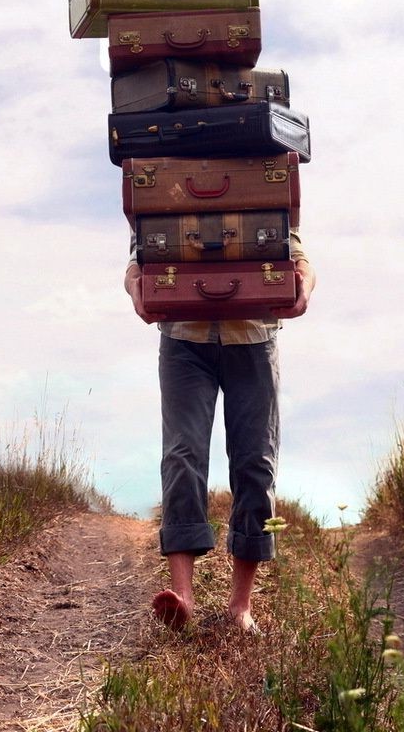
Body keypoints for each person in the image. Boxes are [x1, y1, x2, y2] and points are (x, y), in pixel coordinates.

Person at [124, 230, 314, 633]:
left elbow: (296, 250)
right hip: (184, 339)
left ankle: (240, 606)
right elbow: (138, 256)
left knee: (256, 462)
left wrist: (304, 283)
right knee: (182, 454)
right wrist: (135, 287)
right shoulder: (167, 177)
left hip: (253, 337)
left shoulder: (262, 174)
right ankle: (183, 598)